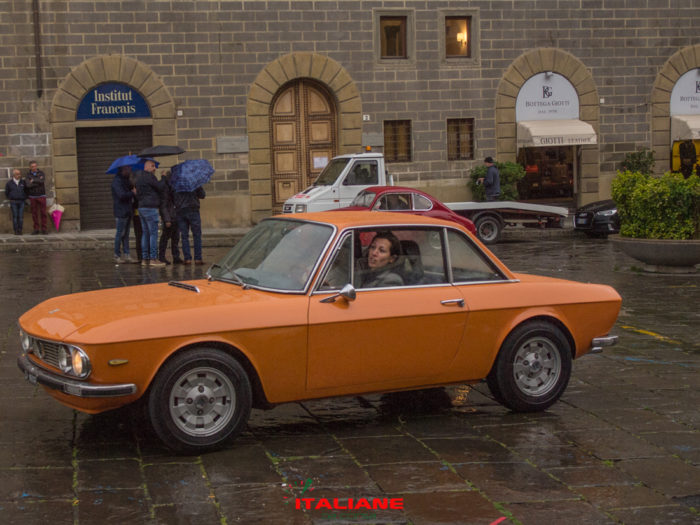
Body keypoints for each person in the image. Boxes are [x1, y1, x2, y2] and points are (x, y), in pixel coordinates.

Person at [134, 159, 166, 267]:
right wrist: (163, 177)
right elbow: (160, 187)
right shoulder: (150, 177)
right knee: (153, 234)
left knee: (145, 233)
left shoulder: (137, 178)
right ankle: (153, 259)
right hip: (150, 208)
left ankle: (144, 259)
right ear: (146, 167)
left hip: (141, 208)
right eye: (152, 166)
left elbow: (137, 194)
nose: (154, 168)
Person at [174, 185, 206, 265]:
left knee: (184, 236)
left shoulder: (176, 183)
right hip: (193, 210)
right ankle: (198, 258)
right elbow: (202, 195)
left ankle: (187, 258)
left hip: (181, 211)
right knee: (197, 235)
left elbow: (173, 196)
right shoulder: (194, 182)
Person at [111, 165, 136, 263]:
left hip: (127, 210)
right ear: (123, 170)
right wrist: (132, 193)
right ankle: (117, 255)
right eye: (128, 168)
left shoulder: (126, 180)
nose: (130, 170)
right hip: (121, 211)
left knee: (126, 234)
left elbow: (130, 188)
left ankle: (127, 255)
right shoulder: (117, 182)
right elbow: (121, 195)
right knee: (120, 234)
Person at [157, 170, 183, 265]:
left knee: (175, 237)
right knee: (165, 237)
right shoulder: (165, 188)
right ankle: (161, 256)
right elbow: (163, 205)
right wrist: (167, 219)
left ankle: (176, 256)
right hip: (170, 217)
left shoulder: (172, 188)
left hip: (175, 215)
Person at [25, 160, 48, 234]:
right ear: (30, 167)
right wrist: (37, 181)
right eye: (32, 166)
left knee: (43, 213)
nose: (34, 167)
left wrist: (33, 180)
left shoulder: (41, 173)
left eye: (35, 166)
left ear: (36, 166)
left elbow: (42, 181)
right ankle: (36, 229)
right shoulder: (28, 175)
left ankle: (44, 229)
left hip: (41, 195)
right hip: (33, 196)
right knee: (34, 214)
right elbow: (28, 185)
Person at [5, 168, 27, 235]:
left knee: (20, 217)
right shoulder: (9, 183)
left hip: (21, 201)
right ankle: (16, 230)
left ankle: (20, 230)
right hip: (13, 202)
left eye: (19, 174)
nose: (19, 175)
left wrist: (24, 197)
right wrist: (11, 197)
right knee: (15, 216)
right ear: (14, 175)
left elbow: (26, 190)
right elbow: (7, 192)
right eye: (17, 174)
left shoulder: (23, 182)